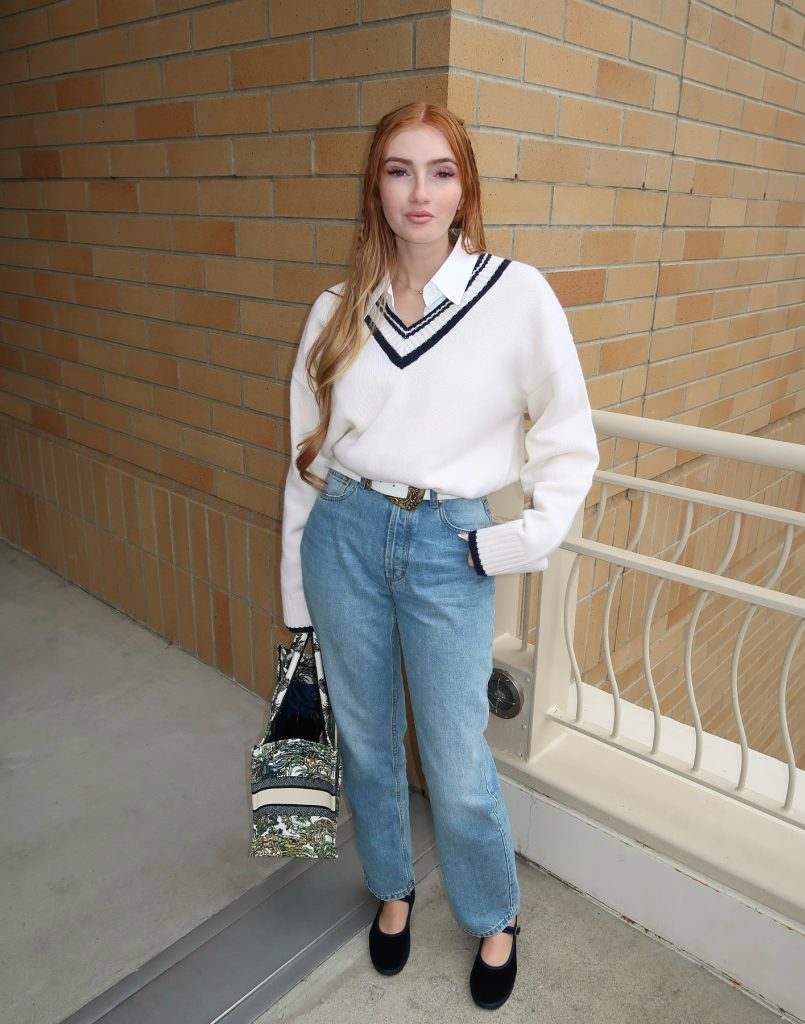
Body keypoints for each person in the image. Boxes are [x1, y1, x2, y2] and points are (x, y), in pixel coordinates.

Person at [279, 101, 599, 1010]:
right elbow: (306, 460)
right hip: (343, 533)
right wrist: (298, 594)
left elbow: (569, 443)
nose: (419, 192)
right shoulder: (337, 310)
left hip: (446, 549)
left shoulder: (515, 295)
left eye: (440, 171)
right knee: (370, 744)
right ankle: (392, 890)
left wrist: (512, 542)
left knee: (456, 759)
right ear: (374, 189)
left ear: (465, 189)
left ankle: (493, 914)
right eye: (398, 171)